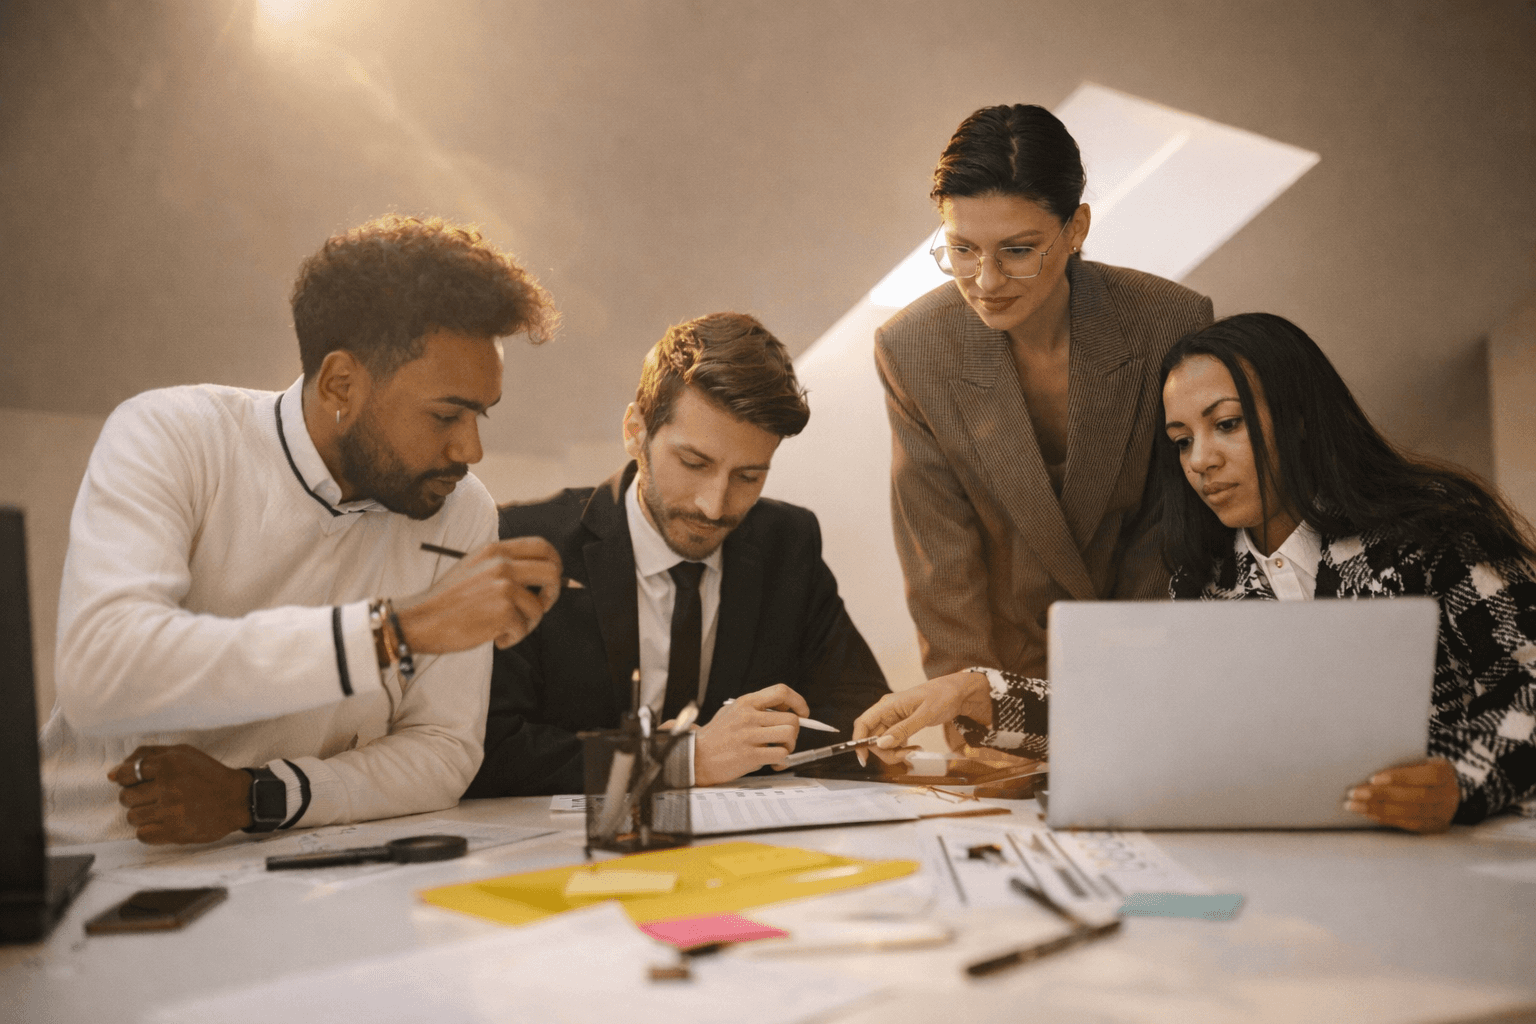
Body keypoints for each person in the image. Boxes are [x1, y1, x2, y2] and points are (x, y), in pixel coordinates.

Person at [856, 313, 1536, 832]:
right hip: (1302, 857)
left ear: (1301, 421)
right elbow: (1142, 717)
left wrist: (1462, 784)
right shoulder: (1209, 577)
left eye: (1228, 425)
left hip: (1468, 855)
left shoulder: (1436, 533)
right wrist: (976, 691)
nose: (1200, 460)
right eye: (1182, 441)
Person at [41, 215, 565, 845]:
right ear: (342, 382)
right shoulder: (172, 434)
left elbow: (442, 749)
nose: (472, 449)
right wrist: (395, 632)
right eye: (446, 414)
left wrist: (259, 794)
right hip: (84, 864)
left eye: (481, 414)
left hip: (299, 866)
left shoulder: (463, 509)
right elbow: (103, 673)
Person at [875, 103, 1214, 717]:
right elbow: (940, 561)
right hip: (997, 671)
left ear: (1077, 228)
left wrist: (1117, 698)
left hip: (1147, 665)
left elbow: (1169, 535)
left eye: (1018, 250)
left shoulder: (1168, 321)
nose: (985, 280)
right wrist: (981, 711)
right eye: (962, 250)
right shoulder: (911, 347)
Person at [464, 312, 890, 796]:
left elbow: (859, 713)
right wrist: (679, 762)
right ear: (635, 431)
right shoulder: (522, 540)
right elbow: (489, 750)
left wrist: (881, 736)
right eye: (694, 463)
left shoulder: (787, 541)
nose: (715, 505)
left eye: (749, 476)